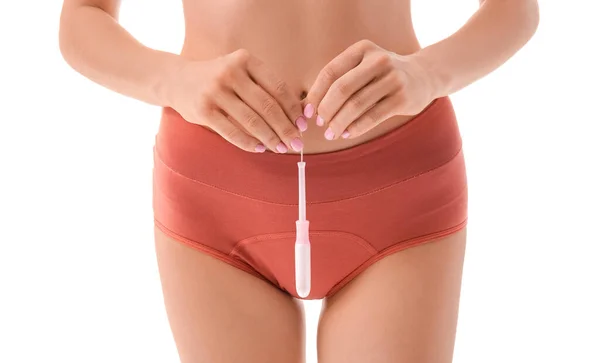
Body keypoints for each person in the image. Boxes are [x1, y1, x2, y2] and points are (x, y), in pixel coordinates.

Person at [58, 1, 539, 362]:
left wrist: (428, 73)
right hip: (215, 194)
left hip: (397, 187)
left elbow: (515, 9)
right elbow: (81, 17)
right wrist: (173, 79)